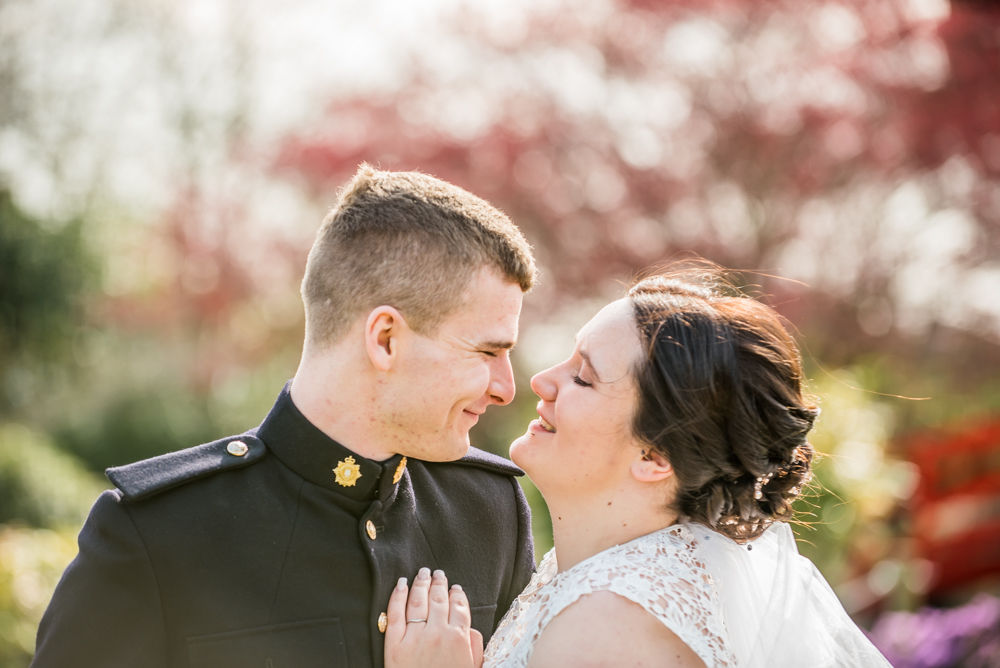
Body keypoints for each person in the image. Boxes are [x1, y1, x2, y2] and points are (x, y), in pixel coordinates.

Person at [32, 164, 539, 668]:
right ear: (385, 339)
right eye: (487, 352)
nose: (506, 388)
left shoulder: (490, 511)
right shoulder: (158, 533)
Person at [384, 264, 893, 667]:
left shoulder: (608, 624)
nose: (540, 381)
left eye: (583, 377)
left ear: (654, 457)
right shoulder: (612, 580)